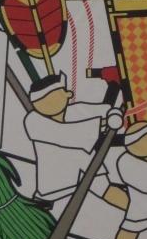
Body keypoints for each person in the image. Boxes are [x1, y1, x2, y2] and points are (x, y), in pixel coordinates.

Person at [22, 72, 119, 207]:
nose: (48, 103)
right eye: (41, 101)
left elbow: (105, 110)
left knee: (110, 192)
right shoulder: (33, 120)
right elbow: (65, 133)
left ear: (68, 94)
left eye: (53, 97)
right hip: (54, 186)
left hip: (85, 164)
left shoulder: (76, 111)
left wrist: (114, 114)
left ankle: (135, 215)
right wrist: (103, 123)